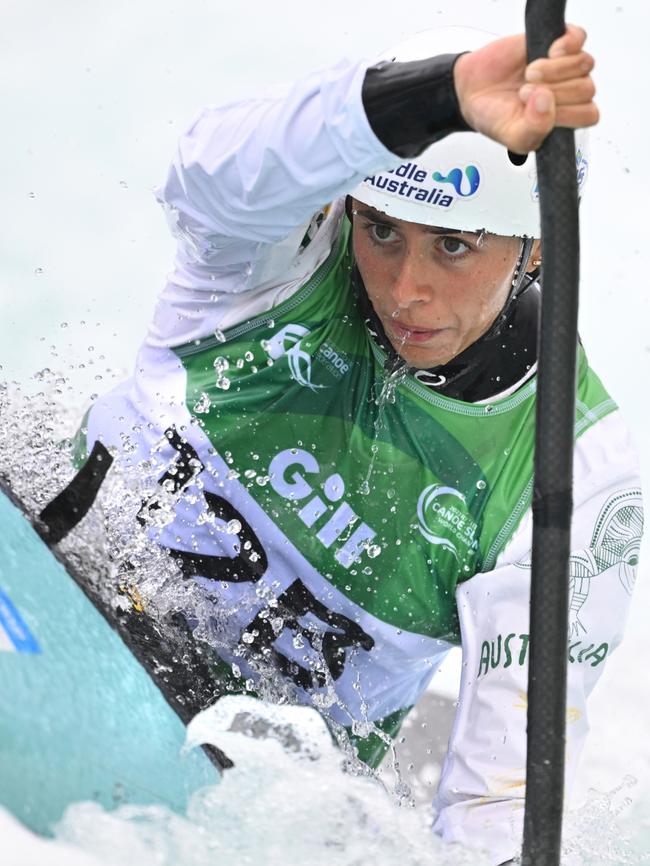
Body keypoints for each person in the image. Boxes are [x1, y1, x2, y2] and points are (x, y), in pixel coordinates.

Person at [69, 22, 642, 865]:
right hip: (63, 588)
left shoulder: (575, 470)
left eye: (453, 247)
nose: (405, 289)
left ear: (537, 249)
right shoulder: (279, 259)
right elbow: (207, 167)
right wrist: (435, 95)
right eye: (383, 232)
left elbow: (498, 807)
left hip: (246, 786)